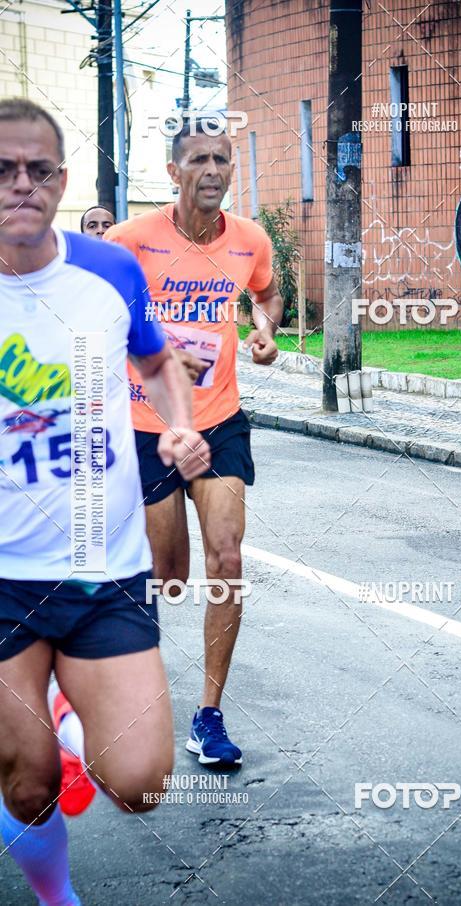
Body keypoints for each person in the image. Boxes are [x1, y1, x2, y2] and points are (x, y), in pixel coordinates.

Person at [0, 97, 211, 904]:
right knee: (27, 788)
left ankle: (67, 703)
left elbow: (157, 364)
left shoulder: (109, 270)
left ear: (61, 178)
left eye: (39, 169)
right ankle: (58, 898)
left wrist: (179, 427)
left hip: (104, 566)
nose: (22, 183)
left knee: (140, 784)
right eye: (2, 169)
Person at [105, 117, 283, 768]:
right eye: (199, 159)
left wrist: (266, 332)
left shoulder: (250, 240)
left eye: (223, 159)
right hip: (148, 426)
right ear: (174, 172)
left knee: (229, 558)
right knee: (170, 577)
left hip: (220, 420)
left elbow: (268, 295)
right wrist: (153, 353)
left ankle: (208, 717)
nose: (213, 170)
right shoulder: (129, 242)